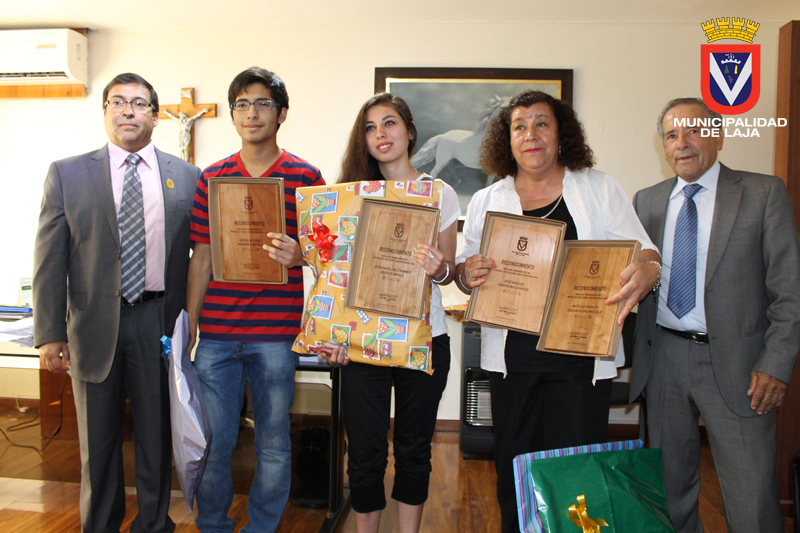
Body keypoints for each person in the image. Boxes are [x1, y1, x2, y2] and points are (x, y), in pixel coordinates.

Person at [455, 90, 661, 533]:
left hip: (579, 360)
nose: (530, 134)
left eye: (541, 123)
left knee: (578, 475)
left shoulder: (598, 188)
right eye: (520, 126)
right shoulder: (487, 199)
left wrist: (650, 269)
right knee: (514, 473)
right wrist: (466, 272)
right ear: (507, 140)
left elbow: (643, 249)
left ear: (560, 133)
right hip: (511, 362)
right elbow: (464, 269)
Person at [33, 72, 201, 533]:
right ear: (105, 111)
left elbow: (203, 256)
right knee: (98, 446)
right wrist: (49, 333)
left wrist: (196, 323)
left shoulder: (188, 177)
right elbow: (50, 259)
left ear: (156, 116)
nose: (129, 110)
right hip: (92, 328)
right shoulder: (67, 174)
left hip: (158, 323)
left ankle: (154, 525)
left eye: (140, 103)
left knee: (156, 439)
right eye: (118, 102)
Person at [630, 97, 800, 533]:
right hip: (663, 359)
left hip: (742, 367)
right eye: (671, 135)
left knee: (751, 496)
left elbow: (790, 292)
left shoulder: (763, 193)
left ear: (718, 136)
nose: (682, 143)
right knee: (669, 491)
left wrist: (775, 365)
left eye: (693, 131)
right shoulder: (647, 201)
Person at [185, 67, 324, 533]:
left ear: (281, 113)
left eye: (263, 103)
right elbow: (202, 257)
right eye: (242, 104)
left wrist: (301, 254)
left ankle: (263, 528)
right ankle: (213, 525)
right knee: (213, 444)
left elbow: (325, 254)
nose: (251, 112)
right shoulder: (212, 177)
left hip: (276, 336)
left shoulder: (306, 176)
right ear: (233, 115)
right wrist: (191, 326)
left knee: (273, 446)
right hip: (217, 335)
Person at [322, 92, 460, 533]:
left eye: (389, 123)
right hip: (364, 341)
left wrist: (440, 268)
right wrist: (335, 335)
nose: (380, 134)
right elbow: (334, 275)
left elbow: (449, 273)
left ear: (409, 131)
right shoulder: (350, 196)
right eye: (370, 127)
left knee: (414, 448)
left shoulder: (438, 193)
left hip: (425, 338)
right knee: (365, 452)